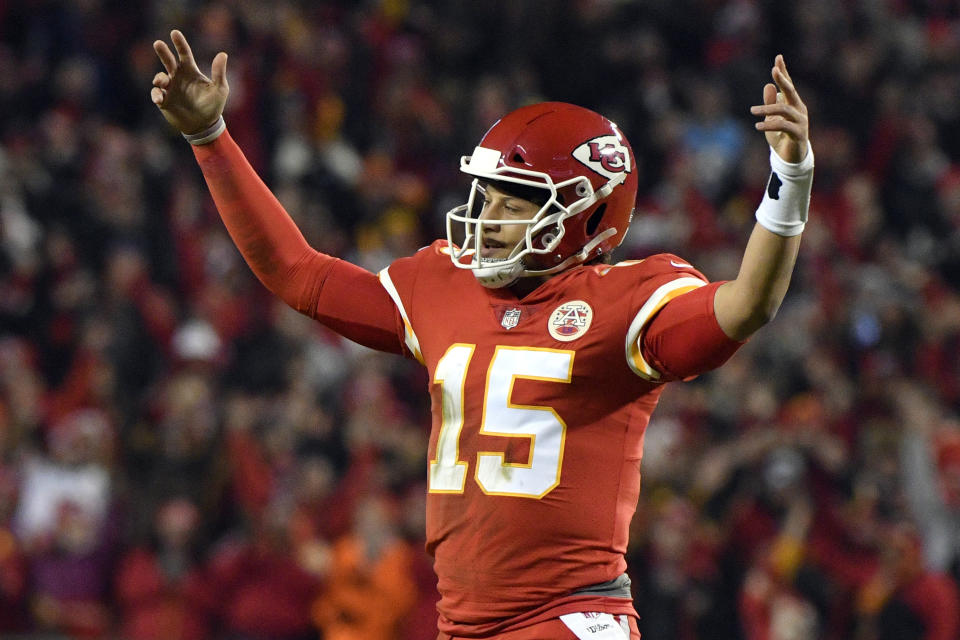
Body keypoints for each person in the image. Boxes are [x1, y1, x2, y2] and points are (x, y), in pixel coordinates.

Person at [151, 29, 813, 640]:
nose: (486, 217)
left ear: (588, 217)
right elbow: (300, 276)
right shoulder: (443, 284)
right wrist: (211, 136)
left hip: (570, 617)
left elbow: (746, 306)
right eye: (486, 194)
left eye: (514, 200)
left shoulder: (625, 301)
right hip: (465, 625)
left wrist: (791, 178)